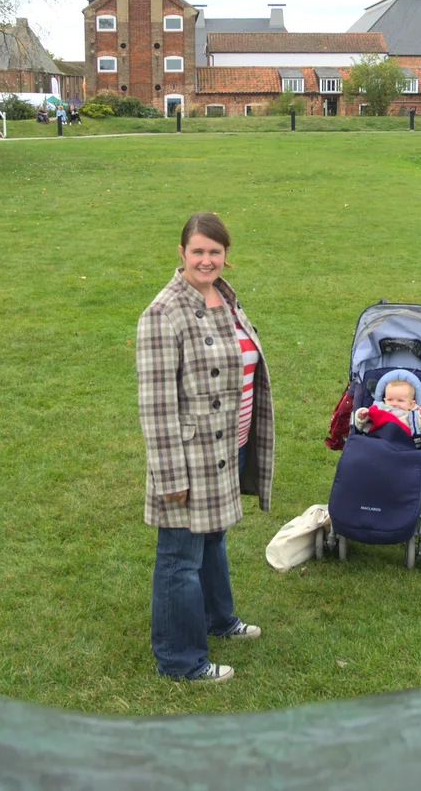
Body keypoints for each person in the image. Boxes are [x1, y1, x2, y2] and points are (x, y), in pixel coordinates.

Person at [136, 212, 274, 683]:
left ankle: (219, 620)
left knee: (213, 538)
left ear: (225, 256)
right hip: (188, 459)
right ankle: (180, 660)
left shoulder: (225, 299)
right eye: (198, 251)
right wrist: (170, 479)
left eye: (215, 252)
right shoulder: (163, 313)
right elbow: (155, 407)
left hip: (227, 444)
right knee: (179, 557)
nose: (206, 259)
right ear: (181, 254)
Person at [354, 377, 421, 437]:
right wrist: (363, 417)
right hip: (377, 440)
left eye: (400, 400)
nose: (394, 404)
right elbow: (362, 428)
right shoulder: (379, 409)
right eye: (390, 399)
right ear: (385, 400)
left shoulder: (414, 414)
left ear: (411, 404)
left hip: (402, 445)